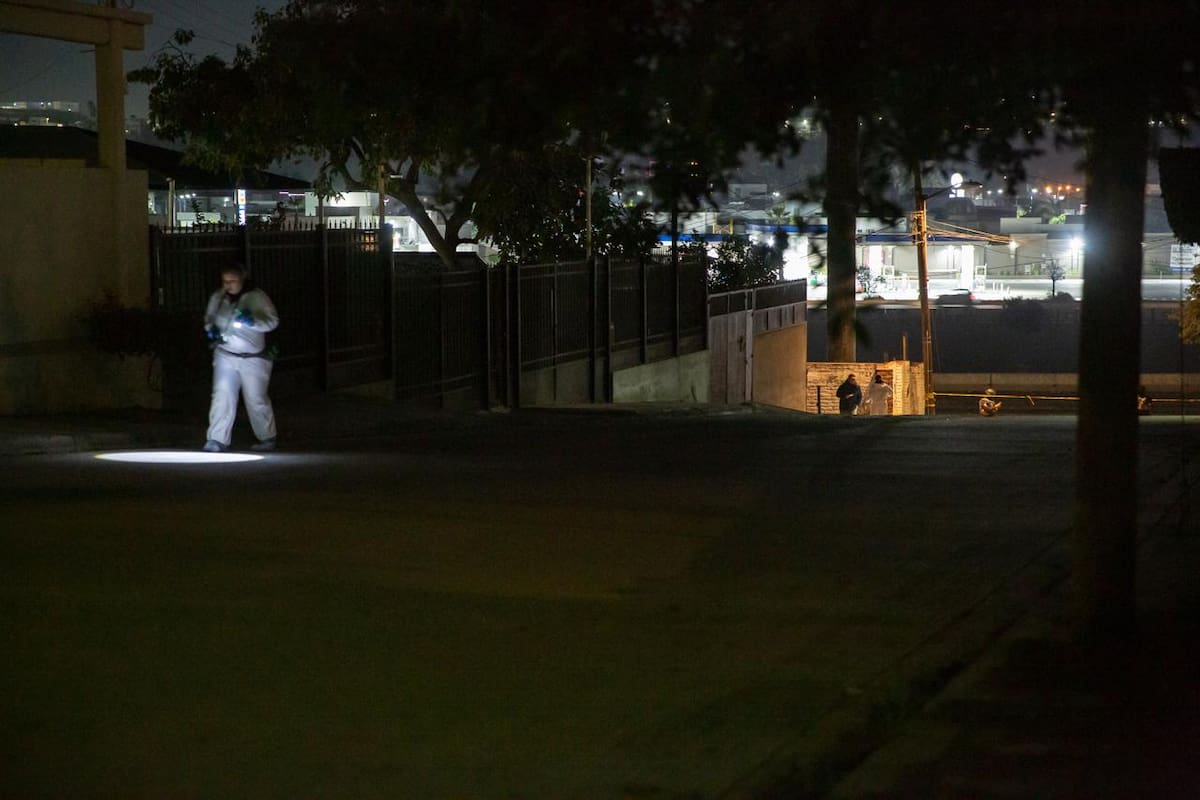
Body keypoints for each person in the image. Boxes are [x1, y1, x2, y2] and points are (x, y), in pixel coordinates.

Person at [202, 263, 279, 452]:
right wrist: (211, 330)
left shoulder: (257, 297)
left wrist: (252, 321)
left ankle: (267, 437)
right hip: (225, 355)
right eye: (225, 281)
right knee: (222, 394)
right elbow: (209, 318)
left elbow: (272, 322)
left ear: (242, 280)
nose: (228, 285)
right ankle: (217, 439)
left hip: (253, 358)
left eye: (233, 281)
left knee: (256, 398)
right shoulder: (219, 297)